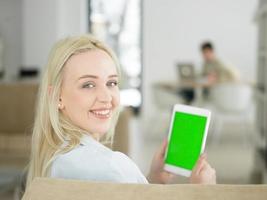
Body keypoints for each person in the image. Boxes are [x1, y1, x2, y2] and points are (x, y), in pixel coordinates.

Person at [26, 35, 216, 188]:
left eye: (111, 83)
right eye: (88, 85)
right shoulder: (113, 167)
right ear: (57, 96)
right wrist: (203, 193)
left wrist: (153, 179)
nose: (106, 97)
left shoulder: (53, 159)